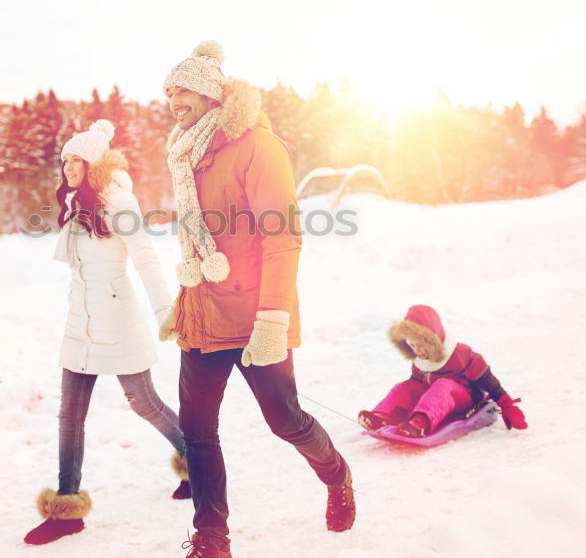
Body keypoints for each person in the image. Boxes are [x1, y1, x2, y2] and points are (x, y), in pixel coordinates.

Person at [157, 41, 355, 558]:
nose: (174, 98)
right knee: (197, 431)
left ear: (210, 93)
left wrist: (273, 319)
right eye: (169, 90)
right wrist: (181, 303)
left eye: (184, 89)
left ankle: (337, 476)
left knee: (284, 420)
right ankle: (211, 539)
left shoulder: (257, 147)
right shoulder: (185, 152)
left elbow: (282, 236)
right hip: (202, 314)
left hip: (252, 316)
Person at [24, 120, 189, 546]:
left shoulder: (118, 200)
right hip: (80, 321)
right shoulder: (77, 204)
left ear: (90, 160)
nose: (66, 168)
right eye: (63, 160)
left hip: (118, 319)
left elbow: (146, 257)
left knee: (144, 403)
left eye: (73, 159)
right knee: (69, 417)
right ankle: (66, 510)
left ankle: (198, 464)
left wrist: (164, 311)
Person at [358, 304, 528, 437]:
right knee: (405, 387)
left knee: (443, 385)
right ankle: (381, 416)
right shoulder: (419, 358)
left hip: (464, 399)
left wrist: (507, 406)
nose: (417, 351)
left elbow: (489, 382)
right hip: (433, 399)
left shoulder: (460, 354)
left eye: (421, 345)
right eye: (413, 345)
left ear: (433, 341)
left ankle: (420, 423)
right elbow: (415, 385)